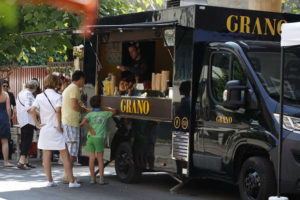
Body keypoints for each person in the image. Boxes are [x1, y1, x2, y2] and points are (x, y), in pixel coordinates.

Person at [30, 74, 80, 188]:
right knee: (65, 155)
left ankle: (50, 180)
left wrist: (37, 124)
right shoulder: (58, 96)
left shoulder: (39, 96)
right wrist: (59, 125)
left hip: (45, 128)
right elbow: (58, 111)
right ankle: (72, 181)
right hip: (55, 129)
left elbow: (32, 110)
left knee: (46, 155)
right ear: (56, 83)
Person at [80, 95, 116, 184]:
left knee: (91, 158)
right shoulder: (104, 114)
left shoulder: (90, 114)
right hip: (99, 138)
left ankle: (92, 179)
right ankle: (101, 179)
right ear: (100, 104)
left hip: (90, 138)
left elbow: (82, 123)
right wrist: (104, 108)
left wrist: (90, 128)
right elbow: (114, 111)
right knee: (100, 159)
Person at [61, 70, 89, 183]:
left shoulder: (69, 88)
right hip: (71, 122)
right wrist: (84, 110)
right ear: (80, 78)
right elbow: (74, 105)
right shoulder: (74, 88)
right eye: (84, 80)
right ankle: (68, 176)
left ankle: (68, 175)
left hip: (68, 121)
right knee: (72, 150)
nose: (84, 82)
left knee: (70, 149)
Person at [16, 80, 38, 170]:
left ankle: (25, 161)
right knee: (27, 141)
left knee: (25, 140)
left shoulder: (21, 93)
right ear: (34, 87)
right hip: (28, 120)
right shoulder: (28, 94)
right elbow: (29, 108)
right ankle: (21, 161)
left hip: (22, 120)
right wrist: (39, 116)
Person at [0, 78, 14, 167]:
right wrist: (9, 119)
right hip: (3, 119)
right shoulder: (5, 94)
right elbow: (8, 109)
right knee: (4, 141)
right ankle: (6, 162)